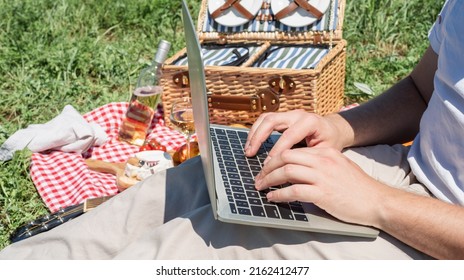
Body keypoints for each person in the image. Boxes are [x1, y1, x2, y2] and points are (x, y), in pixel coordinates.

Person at [0, 0, 462, 260]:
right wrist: (336, 126)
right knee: (164, 196)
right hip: (407, 166)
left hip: (436, 235)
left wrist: (376, 202)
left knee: (184, 253)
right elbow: (424, 89)